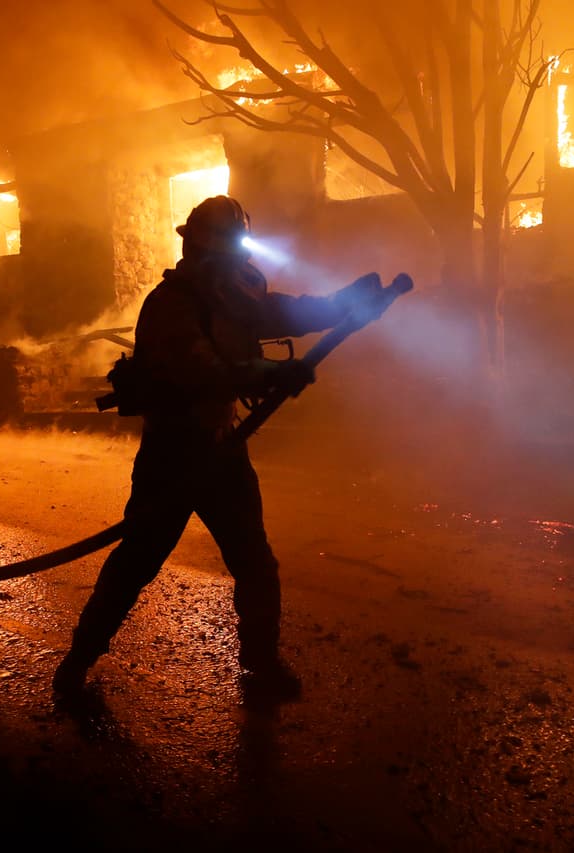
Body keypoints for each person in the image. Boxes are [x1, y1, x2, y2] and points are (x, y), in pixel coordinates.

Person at [52, 195, 377, 703]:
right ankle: (78, 660)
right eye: (228, 251)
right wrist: (271, 374)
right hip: (173, 457)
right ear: (204, 249)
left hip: (223, 450)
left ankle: (261, 666)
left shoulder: (233, 295)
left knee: (254, 562)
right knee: (137, 562)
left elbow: (283, 311)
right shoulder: (171, 305)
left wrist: (345, 302)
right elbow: (201, 372)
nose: (238, 262)